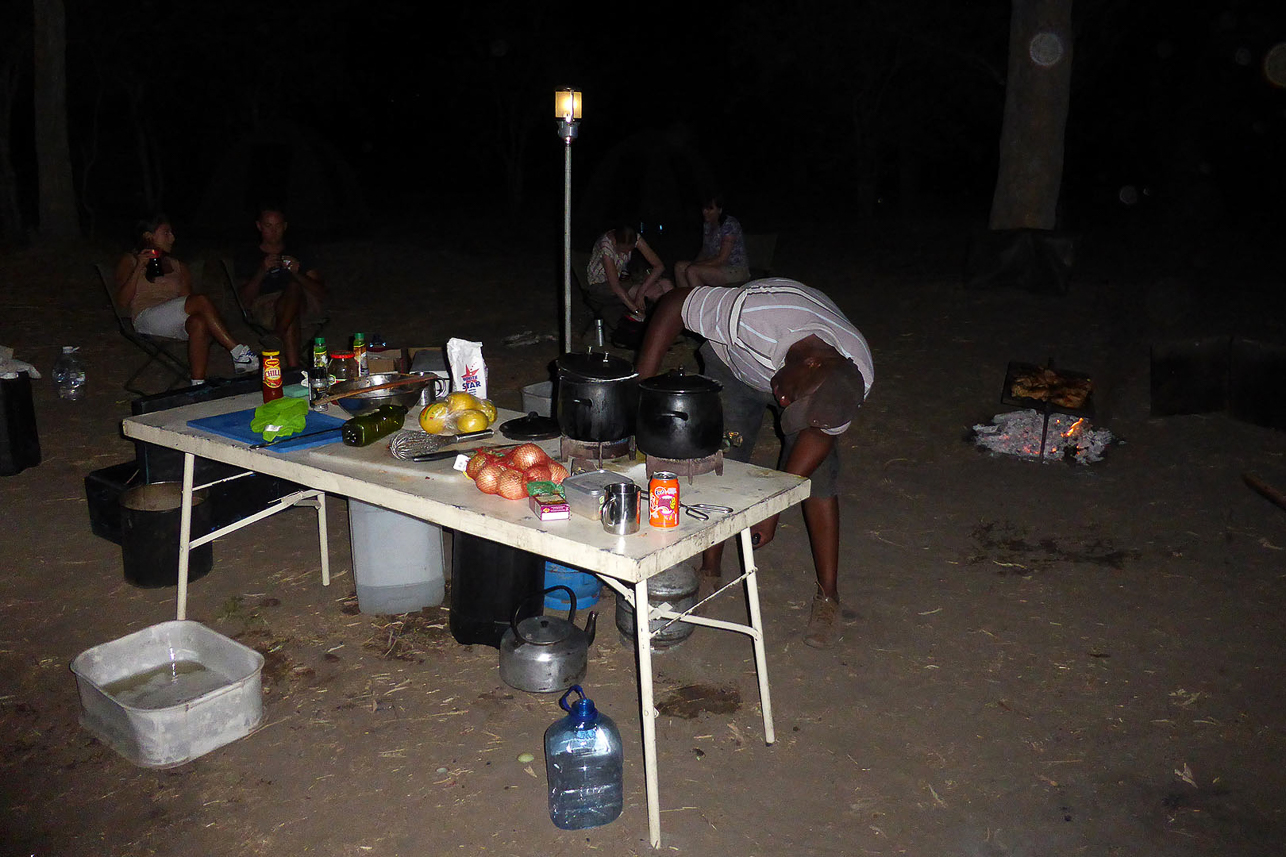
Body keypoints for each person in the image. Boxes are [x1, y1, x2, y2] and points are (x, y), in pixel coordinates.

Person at [635, 278, 874, 649]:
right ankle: (710, 570)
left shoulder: (851, 380)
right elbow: (674, 303)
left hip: (795, 375)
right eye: (792, 397)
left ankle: (828, 598)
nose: (783, 402)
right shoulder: (751, 317)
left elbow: (818, 436)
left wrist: (774, 506)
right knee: (721, 459)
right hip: (735, 363)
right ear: (811, 362)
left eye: (794, 408)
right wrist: (643, 389)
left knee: (820, 482)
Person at [115, 216, 259, 385]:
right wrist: (139, 266)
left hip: (172, 322)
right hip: (146, 319)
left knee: (198, 321)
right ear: (149, 236)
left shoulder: (178, 266)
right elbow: (122, 302)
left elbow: (187, 302)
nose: (172, 237)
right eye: (166, 233)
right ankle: (238, 352)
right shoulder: (130, 260)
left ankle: (197, 384)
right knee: (201, 299)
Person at [235, 207, 326, 370]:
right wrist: (262, 270)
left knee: (294, 287)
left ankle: (277, 336)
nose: (273, 231)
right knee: (291, 317)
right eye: (268, 226)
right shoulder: (248, 254)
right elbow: (244, 299)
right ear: (259, 226)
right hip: (266, 306)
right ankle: (293, 370)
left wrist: (297, 273)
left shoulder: (299, 251)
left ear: (284, 226)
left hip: (303, 303)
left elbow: (321, 292)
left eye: (277, 226)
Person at [586, 224, 673, 319]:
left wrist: (640, 292)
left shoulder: (632, 238)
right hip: (601, 286)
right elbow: (615, 286)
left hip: (622, 280)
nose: (628, 252)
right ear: (616, 243)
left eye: (630, 250)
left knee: (666, 284)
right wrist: (636, 311)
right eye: (625, 250)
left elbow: (659, 266)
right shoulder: (606, 247)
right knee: (655, 292)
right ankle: (661, 324)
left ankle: (677, 318)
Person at [673, 195, 749, 289]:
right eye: (704, 208)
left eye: (710, 209)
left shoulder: (730, 225)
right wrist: (695, 263)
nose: (705, 212)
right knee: (679, 267)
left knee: (692, 271)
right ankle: (685, 300)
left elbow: (722, 259)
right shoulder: (708, 225)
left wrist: (696, 265)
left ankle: (700, 302)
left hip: (734, 269)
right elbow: (704, 251)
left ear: (720, 210)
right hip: (715, 267)